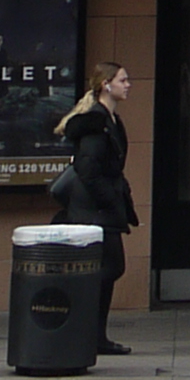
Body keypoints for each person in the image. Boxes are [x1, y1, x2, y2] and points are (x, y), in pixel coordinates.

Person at [50, 63, 138, 356]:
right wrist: (108, 198)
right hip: (95, 212)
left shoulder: (111, 120)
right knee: (107, 269)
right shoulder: (96, 124)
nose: (128, 85)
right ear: (106, 85)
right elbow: (88, 169)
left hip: (102, 210)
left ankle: (95, 334)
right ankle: (88, 332)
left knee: (108, 270)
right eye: (122, 80)